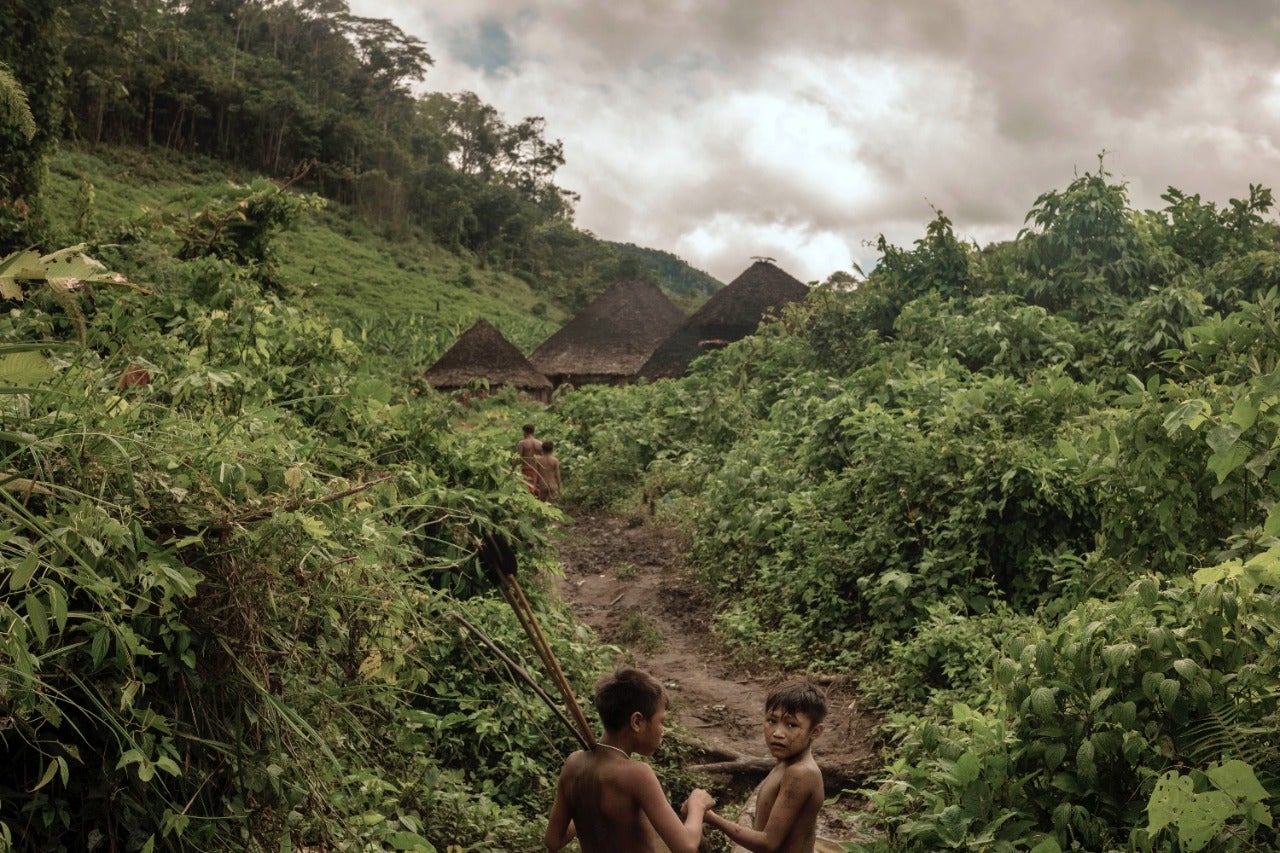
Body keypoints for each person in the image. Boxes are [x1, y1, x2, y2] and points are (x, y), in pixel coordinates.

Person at [545, 667, 715, 853]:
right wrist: (697, 805)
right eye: (662, 721)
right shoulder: (637, 774)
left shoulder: (573, 763)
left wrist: (589, 813)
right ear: (637, 722)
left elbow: (553, 840)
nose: (662, 730)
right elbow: (686, 846)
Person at [704, 680, 827, 853]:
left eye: (791, 725)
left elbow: (768, 843)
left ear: (815, 731)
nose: (777, 733)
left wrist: (710, 817)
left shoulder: (801, 773)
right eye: (771, 721)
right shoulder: (786, 763)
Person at [516, 424, 542, 494]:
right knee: (537, 489)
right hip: (538, 471)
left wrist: (512, 469)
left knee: (528, 491)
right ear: (534, 432)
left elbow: (517, 459)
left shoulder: (522, 443)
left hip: (527, 470)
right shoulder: (540, 443)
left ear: (524, 432)